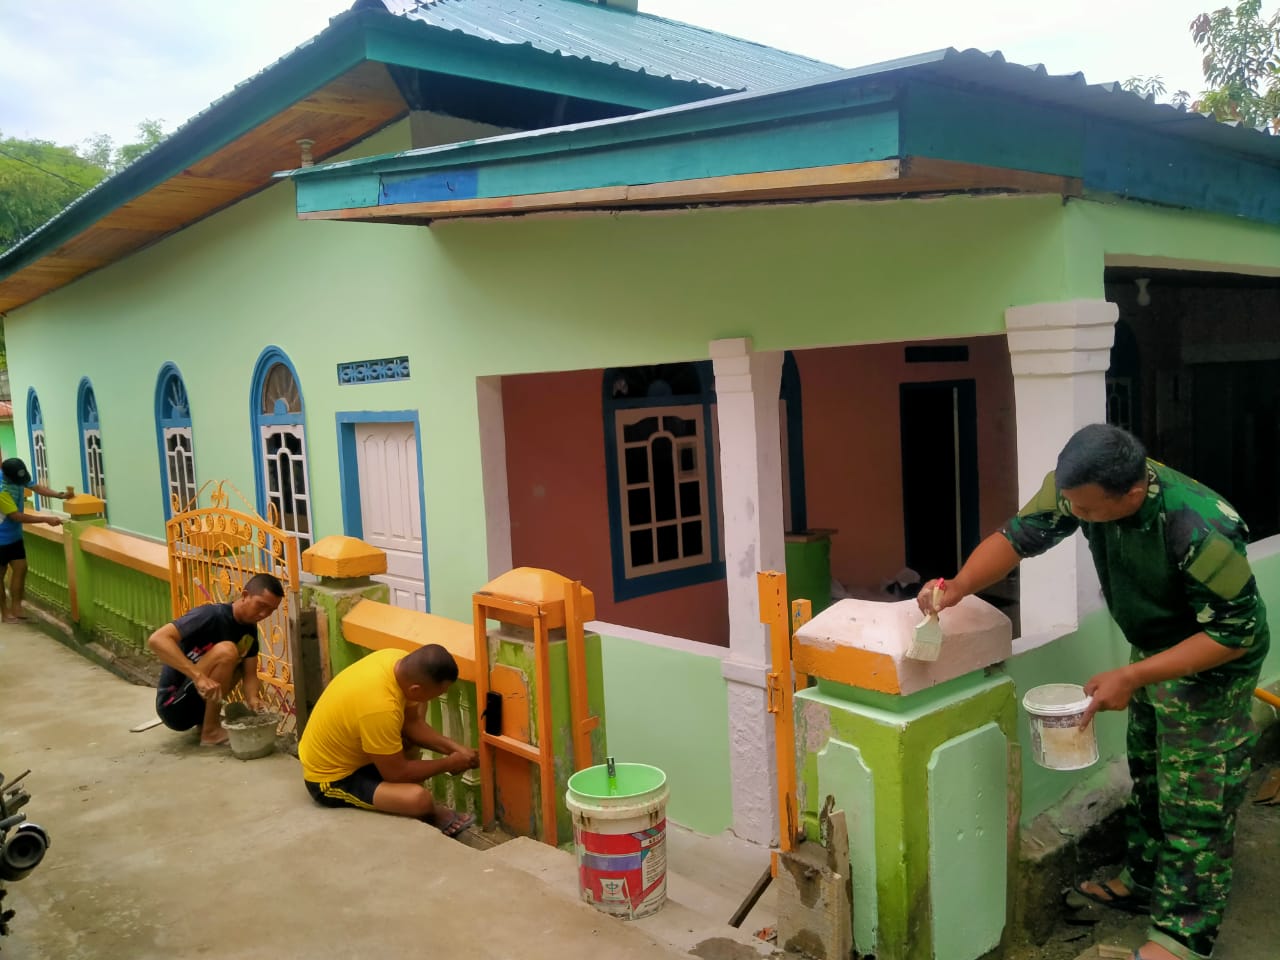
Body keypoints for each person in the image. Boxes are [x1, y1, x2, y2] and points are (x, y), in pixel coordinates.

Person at [920, 423, 1267, 960]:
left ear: (1130, 493)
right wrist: (958, 587)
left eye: (1086, 512)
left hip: (1212, 660)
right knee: (1150, 770)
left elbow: (1234, 635)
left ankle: (1182, 934)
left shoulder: (1199, 526)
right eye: (1071, 506)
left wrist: (1131, 678)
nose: (1075, 518)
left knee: (1196, 797)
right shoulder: (1077, 488)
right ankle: (1146, 880)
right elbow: (1017, 537)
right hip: (1154, 645)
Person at [299, 644, 479, 837]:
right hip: (332, 779)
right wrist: (448, 763)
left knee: (407, 742)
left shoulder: (397, 661)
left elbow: (412, 723)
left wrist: (456, 749)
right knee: (419, 800)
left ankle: (398, 799)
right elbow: (397, 774)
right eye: (435, 694)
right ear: (416, 689)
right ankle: (428, 812)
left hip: (360, 754)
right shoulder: (380, 708)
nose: (437, 698)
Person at [147, 573, 285, 746]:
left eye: (271, 610)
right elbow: (157, 640)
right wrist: (198, 676)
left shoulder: (249, 631)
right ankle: (210, 731)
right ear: (244, 596)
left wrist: (252, 698)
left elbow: (250, 674)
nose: (264, 614)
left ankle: (206, 723)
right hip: (173, 705)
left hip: (197, 706)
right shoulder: (210, 615)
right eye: (261, 605)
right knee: (227, 651)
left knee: (237, 660)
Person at [0, 457, 71, 623]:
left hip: (14, 537)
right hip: (1, 539)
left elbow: (36, 487)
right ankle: (5, 612)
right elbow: (16, 516)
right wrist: (46, 519)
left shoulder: (17, 475)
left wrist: (60, 495)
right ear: (7, 476)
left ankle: (16, 607)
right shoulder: (1, 490)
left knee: (21, 568)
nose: (22, 483)